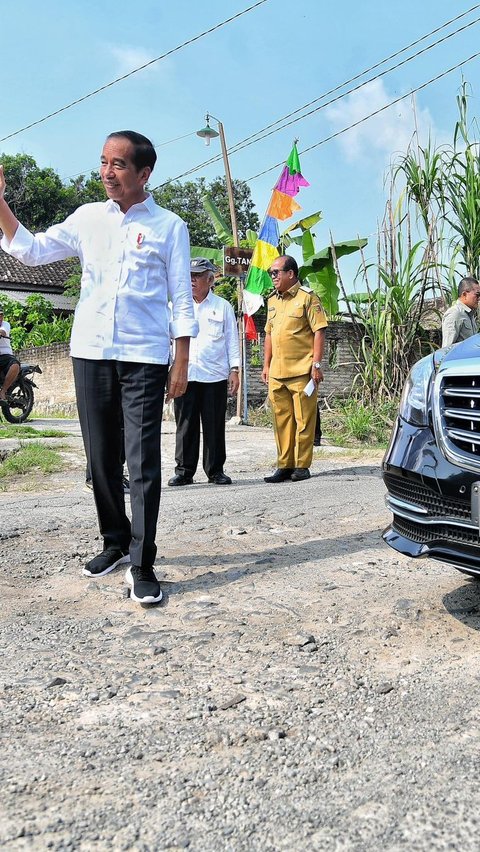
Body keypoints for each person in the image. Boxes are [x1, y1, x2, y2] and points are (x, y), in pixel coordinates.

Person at [0, 130, 198, 605]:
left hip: (145, 358)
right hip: (90, 351)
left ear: (144, 173)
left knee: (143, 461)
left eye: (119, 165)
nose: (107, 172)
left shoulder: (170, 226)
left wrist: (182, 361)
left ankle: (142, 562)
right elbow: (30, 249)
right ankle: (114, 541)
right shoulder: (88, 218)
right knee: (100, 458)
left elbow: (182, 300)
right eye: (104, 162)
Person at [168, 257, 240, 487]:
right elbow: (167, 341)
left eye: (197, 276)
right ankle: (184, 471)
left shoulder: (223, 307)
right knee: (185, 424)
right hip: (184, 375)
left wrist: (235, 369)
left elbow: (232, 341)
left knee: (214, 425)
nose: (191, 280)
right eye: (188, 275)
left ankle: (215, 470)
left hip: (215, 375)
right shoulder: (176, 307)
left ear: (210, 279)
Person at [262, 255, 327, 483]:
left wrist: (316, 365)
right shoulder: (272, 301)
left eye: (276, 272)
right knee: (281, 421)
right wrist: (266, 365)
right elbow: (269, 334)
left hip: (302, 371)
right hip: (277, 373)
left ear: (291, 273)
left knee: (304, 420)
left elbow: (319, 330)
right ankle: (284, 464)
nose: (273, 277)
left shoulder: (307, 298)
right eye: (272, 273)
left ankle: (301, 465)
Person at [442, 277, 480, 347]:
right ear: (464, 294)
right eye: (477, 295)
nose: (479, 298)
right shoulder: (454, 314)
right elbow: (446, 349)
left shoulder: (470, 315)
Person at [0, 305, 20, 402]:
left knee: (15, 365)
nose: (0, 317)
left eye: (1, 315)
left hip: (5, 356)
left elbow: (3, 332)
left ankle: (3, 391)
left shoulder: (5, 324)